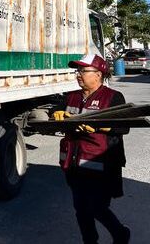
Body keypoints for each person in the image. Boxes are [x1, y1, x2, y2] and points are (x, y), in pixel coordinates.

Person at [52, 54, 130, 244]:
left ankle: (120, 233)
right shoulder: (71, 96)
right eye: (77, 71)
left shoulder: (113, 97)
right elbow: (53, 117)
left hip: (101, 163)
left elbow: (124, 126)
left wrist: (99, 126)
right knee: (80, 207)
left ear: (98, 74)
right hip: (73, 161)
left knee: (97, 207)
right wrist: (56, 114)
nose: (78, 74)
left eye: (83, 71)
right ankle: (90, 240)